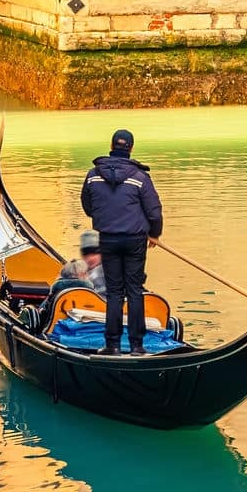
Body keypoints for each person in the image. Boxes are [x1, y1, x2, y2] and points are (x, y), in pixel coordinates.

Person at [79, 129, 164, 355]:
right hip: (135, 239)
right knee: (134, 291)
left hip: (107, 238)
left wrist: (106, 216)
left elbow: (88, 206)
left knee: (115, 292)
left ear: (111, 145)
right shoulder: (140, 178)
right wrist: (154, 234)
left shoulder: (93, 175)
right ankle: (137, 346)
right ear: (131, 149)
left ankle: (112, 345)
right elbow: (154, 212)